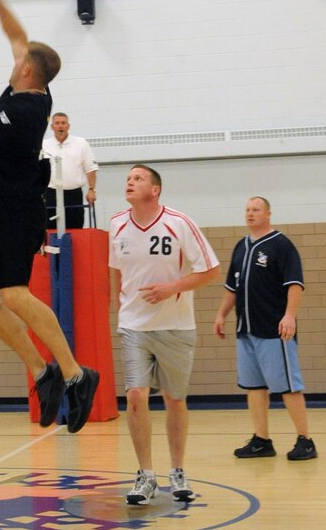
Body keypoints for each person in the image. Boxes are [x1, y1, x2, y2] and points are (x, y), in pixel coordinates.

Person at [0, 0, 99, 434]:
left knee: (15, 294)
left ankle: (77, 374)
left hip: (20, 209)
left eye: (20, 61)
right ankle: (44, 373)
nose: (15, 59)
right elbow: (18, 37)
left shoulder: (23, 113)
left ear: (26, 73)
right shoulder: (32, 87)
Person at [108, 164, 220, 505]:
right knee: (136, 396)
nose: (129, 182)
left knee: (174, 399)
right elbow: (116, 270)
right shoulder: (116, 224)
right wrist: (120, 308)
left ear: (155, 189)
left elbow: (211, 271)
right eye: (128, 178)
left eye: (138, 178)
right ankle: (146, 475)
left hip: (176, 325)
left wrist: (172, 286)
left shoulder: (179, 223)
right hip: (135, 326)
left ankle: (177, 470)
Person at [213, 196, 317, 461]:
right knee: (254, 387)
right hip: (245, 329)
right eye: (247, 209)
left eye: (256, 209)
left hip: (274, 330)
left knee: (289, 386)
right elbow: (232, 287)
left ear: (268, 214)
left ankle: (306, 440)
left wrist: (289, 316)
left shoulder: (281, 245)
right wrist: (221, 314)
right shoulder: (241, 246)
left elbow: (295, 283)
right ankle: (262, 440)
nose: (250, 213)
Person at [42, 112, 98, 228]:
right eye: (57, 123)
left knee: (76, 229)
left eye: (63, 123)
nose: (60, 126)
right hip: (51, 194)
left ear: (68, 126)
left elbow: (91, 168)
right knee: (50, 230)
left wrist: (92, 189)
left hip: (74, 195)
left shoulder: (81, 143)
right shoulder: (44, 145)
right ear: (52, 127)